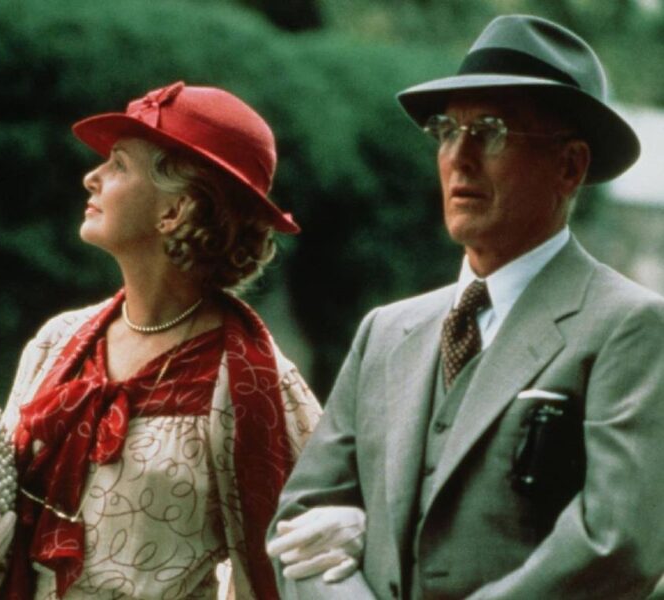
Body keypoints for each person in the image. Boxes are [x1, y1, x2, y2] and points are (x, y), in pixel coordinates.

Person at [267, 14, 664, 600]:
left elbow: (616, 542)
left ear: (570, 166)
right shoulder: (386, 332)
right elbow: (297, 525)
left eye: (492, 130)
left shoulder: (628, 326)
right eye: (447, 130)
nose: (459, 156)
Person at [0, 81, 328, 600]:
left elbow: (288, 572)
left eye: (119, 165)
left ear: (175, 211)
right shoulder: (57, 342)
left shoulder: (252, 381)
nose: (91, 177)